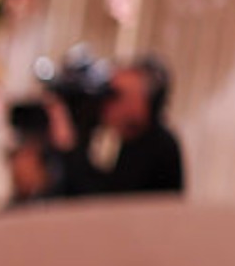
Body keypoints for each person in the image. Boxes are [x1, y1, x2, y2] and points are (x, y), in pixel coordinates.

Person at [46, 59, 184, 197]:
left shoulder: (159, 147)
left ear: (141, 103)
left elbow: (105, 203)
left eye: (115, 95)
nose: (106, 104)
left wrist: (69, 147)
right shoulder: (129, 142)